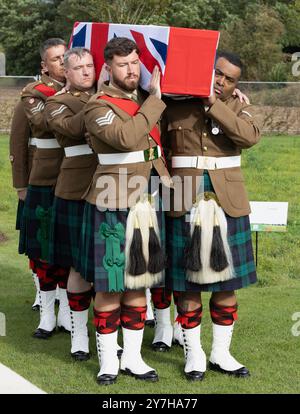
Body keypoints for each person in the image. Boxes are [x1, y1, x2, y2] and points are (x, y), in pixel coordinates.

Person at [78, 37, 172, 385]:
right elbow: (125, 138)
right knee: (110, 284)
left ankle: (133, 358)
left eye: (135, 62)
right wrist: (155, 100)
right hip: (111, 200)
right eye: (123, 64)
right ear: (108, 68)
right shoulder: (96, 106)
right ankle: (108, 360)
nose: (131, 70)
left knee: (139, 281)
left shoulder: (145, 101)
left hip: (147, 198)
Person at [163, 51, 260, 381]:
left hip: (227, 202)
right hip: (182, 198)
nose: (221, 81)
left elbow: (249, 137)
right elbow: (156, 147)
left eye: (229, 79)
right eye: (217, 73)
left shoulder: (239, 106)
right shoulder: (174, 104)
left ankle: (222, 352)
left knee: (226, 282)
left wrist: (213, 103)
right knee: (186, 283)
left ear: (236, 84)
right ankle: (194, 354)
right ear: (207, 69)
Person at [44, 47, 98, 360]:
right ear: (66, 72)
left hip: (110, 186)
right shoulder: (56, 102)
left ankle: (109, 330)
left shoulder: (111, 95)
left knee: (109, 265)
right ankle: (79, 333)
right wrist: (102, 97)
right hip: (75, 189)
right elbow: (73, 129)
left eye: (91, 66)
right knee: (77, 264)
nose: (86, 72)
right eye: (78, 68)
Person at [20, 38, 71, 339]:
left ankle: (66, 312)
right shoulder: (34, 93)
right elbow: (41, 123)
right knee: (43, 250)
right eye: (56, 59)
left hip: (75, 177)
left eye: (67, 57)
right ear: (44, 65)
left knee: (66, 250)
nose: (63, 63)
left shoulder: (85, 92)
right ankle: (47, 314)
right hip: (45, 178)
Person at [9, 100, 40, 310]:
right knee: (36, 242)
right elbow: (18, 143)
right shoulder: (30, 99)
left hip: (66, 180)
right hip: (35, 180)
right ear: (44, 65)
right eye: (55, 62)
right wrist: (21, 185)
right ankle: (42, 290)